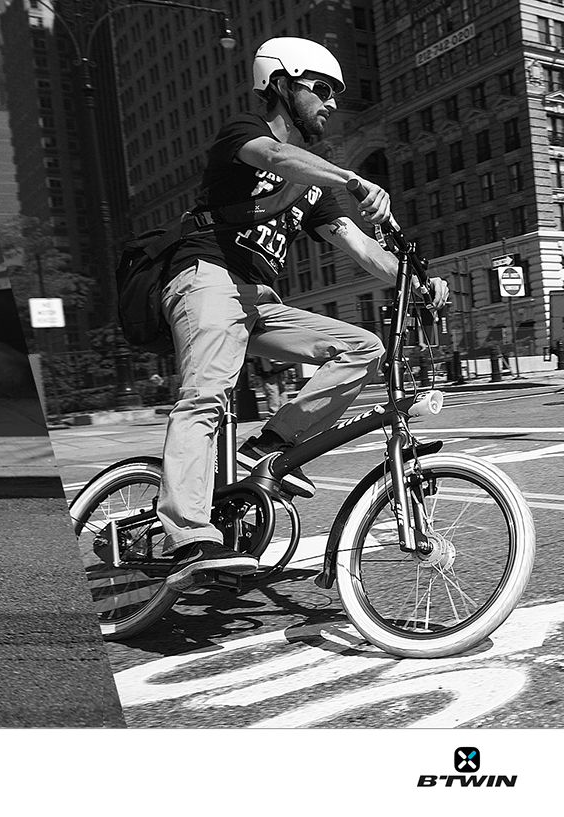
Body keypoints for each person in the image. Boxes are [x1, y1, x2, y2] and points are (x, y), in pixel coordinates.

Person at [154, 38, 449, 588]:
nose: (332, 102)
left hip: (257, 300)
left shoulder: (312, 189)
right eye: (321, 88)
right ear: (280, 84)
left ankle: (268, 448)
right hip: (206, 278)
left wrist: (417, 282)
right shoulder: (245, 133)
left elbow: (360, 247)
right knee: (206, 396)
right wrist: (354, 179)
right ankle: (189, 536)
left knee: (362, 348)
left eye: (336, 93)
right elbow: (276, 157)